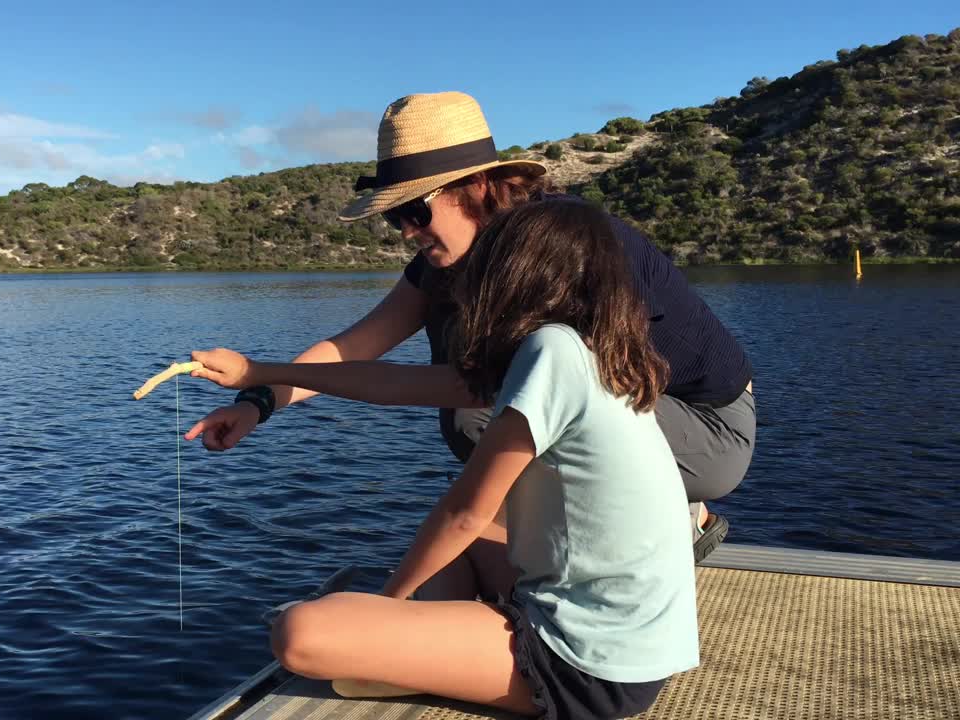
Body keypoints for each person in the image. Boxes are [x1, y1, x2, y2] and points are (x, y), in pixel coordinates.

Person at [184, 90, 755, 565]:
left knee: (480, 413)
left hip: (707, 430)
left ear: (478, 188)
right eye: (394, 216)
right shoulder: (445, 263)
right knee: (479, 408)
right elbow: (353, 346)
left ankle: (665, 523)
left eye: (415, 211)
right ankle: (600, 533)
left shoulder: (558, 251)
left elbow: (469, 389)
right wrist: (257, 400)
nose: (406, 231)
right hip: (636, 414)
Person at [188, 199, 700, 718]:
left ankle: (400, 647)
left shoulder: (553, 353)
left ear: (519, 272)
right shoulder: (586, 348)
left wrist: (381, 606)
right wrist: (256, 374)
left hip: (589, 665)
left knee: (298, 634)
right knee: (461, 549)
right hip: (628, 643)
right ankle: (426, 646)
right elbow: (391, 384)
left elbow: (465, 513)